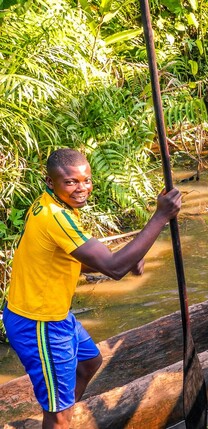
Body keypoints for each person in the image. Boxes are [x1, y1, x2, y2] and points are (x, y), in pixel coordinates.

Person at [2, 148, 182, 428]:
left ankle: (61, 414)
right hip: (39, 322)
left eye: (86, 180)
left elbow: (82, 259)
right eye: (70, 182)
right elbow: (115, 268)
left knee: (89, 363)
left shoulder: (54, 205)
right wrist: (160, 217)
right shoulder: (55, 217)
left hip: (54, 314)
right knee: (59, 416)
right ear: (51, 182)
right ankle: (59, 418)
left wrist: (129, 254)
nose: (81, 188)